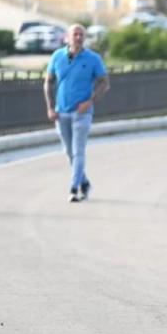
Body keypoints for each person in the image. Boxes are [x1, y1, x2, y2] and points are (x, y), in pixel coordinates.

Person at [44, 24, 110, 203]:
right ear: (67, 37)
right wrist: (50, 107)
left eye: (81, 35)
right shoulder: (57, 56)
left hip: (82, 113)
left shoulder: (93, 59)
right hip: (61, 112)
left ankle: (75, 188)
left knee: (78, 151)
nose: (78, 38)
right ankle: (85, 182)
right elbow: (48, 82)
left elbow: (104, 82)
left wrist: (90, 101)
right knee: (68, 151)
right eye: (75, 34)